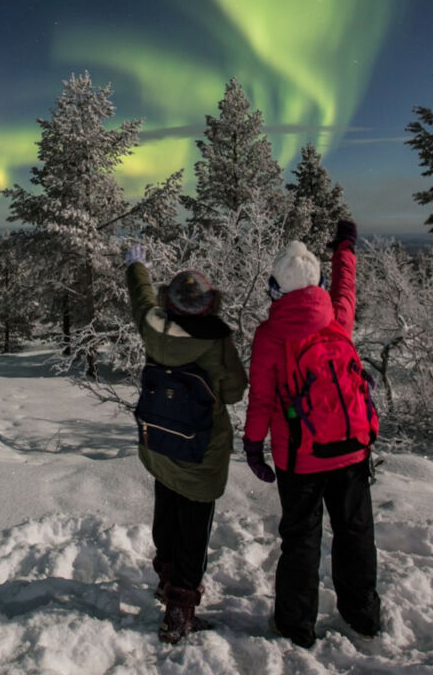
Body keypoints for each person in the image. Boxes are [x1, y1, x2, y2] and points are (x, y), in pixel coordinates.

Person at [242, 222, 382, 647]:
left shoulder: (270, 335)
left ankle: (295, 624)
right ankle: (363, 616)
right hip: (352, 450)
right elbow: (346, 285)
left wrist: (253, 445)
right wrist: (345, 246)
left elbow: (262, 399)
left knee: (301, 540)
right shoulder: (337, 318)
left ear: (276, 288)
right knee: (355, 534)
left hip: (299, 457)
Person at [124, 244, 248, 644]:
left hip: (160, 444)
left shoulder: (153, 327)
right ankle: (179, 612)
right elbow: (233, 391)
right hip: (200, 454)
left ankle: (166, 580)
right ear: (208, 305)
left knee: (167, 511)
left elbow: (140, 299)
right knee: (194, 529)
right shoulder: (216, 342)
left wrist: (136, 266)